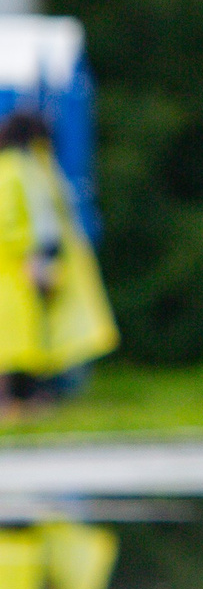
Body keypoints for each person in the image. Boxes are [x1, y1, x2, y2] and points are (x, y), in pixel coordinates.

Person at [0, 107, 117, 417]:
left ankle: (22, 401)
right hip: (15, 267)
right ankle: (15, 402)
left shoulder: (18, 166)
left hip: (16, 266)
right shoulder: (17, 168)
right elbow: (13, 220)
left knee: (23, 341)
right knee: (15, 341)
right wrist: (29, 256)